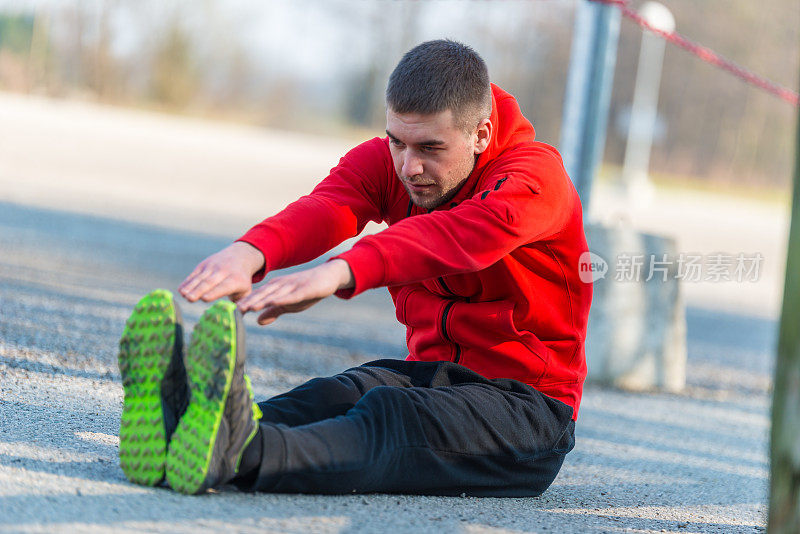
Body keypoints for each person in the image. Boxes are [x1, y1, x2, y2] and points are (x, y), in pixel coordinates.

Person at [116, 39, 592, 496]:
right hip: (433, 375)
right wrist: (250, 253)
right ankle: (184, 429)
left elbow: (458, 235)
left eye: (429, 148)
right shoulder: (398, 161)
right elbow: (327, 206)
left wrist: (339, 272)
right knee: (337, 394)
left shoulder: (534, 179)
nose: (409, 166)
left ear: (480, 134)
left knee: (391, 416)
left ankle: (238, 452)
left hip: (528, 411)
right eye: (396, 142)